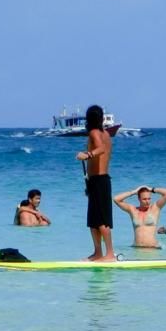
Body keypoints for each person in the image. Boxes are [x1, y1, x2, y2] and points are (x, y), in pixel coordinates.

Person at [76, 104, 115, 262]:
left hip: (100, 180)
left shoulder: (94, 133)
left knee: (101, 220)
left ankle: (110, 254)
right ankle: (98, 253)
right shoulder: (105, 133)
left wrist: (87, 154)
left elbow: (101, 150)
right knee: (93, 220)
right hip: (96, 181)